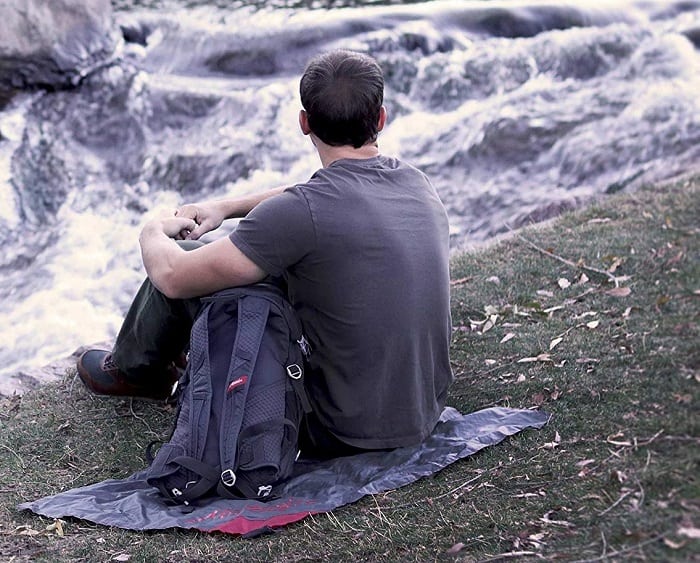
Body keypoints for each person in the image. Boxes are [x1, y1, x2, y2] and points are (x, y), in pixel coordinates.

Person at [77, 49, 453, 459]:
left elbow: (172, 275)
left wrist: (150, 230)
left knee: (188, 254)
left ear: (304, 122)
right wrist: (226, 208)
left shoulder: (303, 213)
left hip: (338, 431)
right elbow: (314, 196)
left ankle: (136, 371)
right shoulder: (416, 182)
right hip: (420, 413)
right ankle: (158, 361)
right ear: (380, 118)